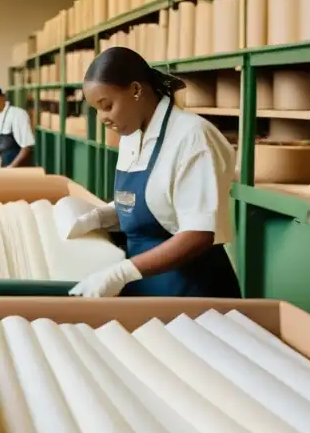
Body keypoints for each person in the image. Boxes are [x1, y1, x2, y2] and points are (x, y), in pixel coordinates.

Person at [66, 46, 239, 299]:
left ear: (136, 90)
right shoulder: (132, 133)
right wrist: (99, 217)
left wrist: (121, 273)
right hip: (145, 281)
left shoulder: (192, 138)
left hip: (190, 289)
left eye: (107, 105)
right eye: (96, 110)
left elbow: (198, 233)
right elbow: (150, 201)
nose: (102, 118)